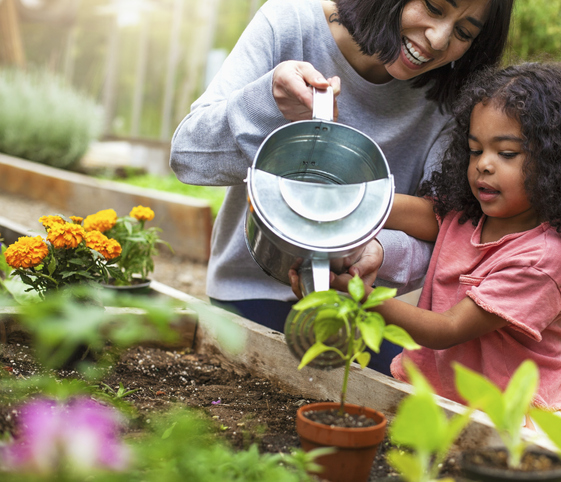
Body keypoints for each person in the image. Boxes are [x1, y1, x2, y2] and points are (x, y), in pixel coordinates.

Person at [170, 0, 515, 375]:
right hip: (253, 290)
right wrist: (268, 101)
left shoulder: (451, 101)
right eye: (433, 7)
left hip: (361, 307)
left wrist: (380, 250)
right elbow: (188, 156)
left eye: (464, 32)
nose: (437, 39)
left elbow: (450, 234)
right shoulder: (292, 23)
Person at [296, 61, 561, 421]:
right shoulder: (469, 216)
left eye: (506, 153)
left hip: (512, 415)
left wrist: (357, 297)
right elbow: (420, 214)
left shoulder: (542, 257)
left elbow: (448, 329)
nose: (484, 165)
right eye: (475, 150)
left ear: (557, 164)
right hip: (444, 400)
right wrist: (348, 201)